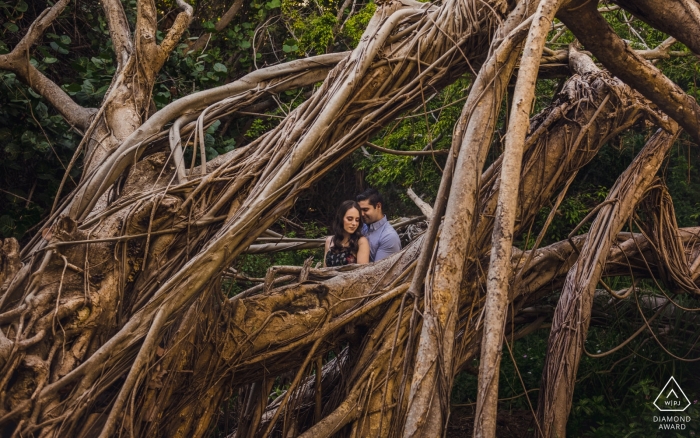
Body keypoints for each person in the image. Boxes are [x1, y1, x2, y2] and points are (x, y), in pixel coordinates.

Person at [356, 188, 401, 262]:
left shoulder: (389, 237)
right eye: (359, 210)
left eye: (365, 210)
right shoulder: (361, 226)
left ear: (378, 206)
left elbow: (379, 271)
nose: (361, 214)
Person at [324, 200, 370, 267]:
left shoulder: (361, 242)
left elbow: (362, 273)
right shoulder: (329, 241)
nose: (354, 223)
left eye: (357, 220)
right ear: (341, 218)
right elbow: (324, 270)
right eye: (350, 219)